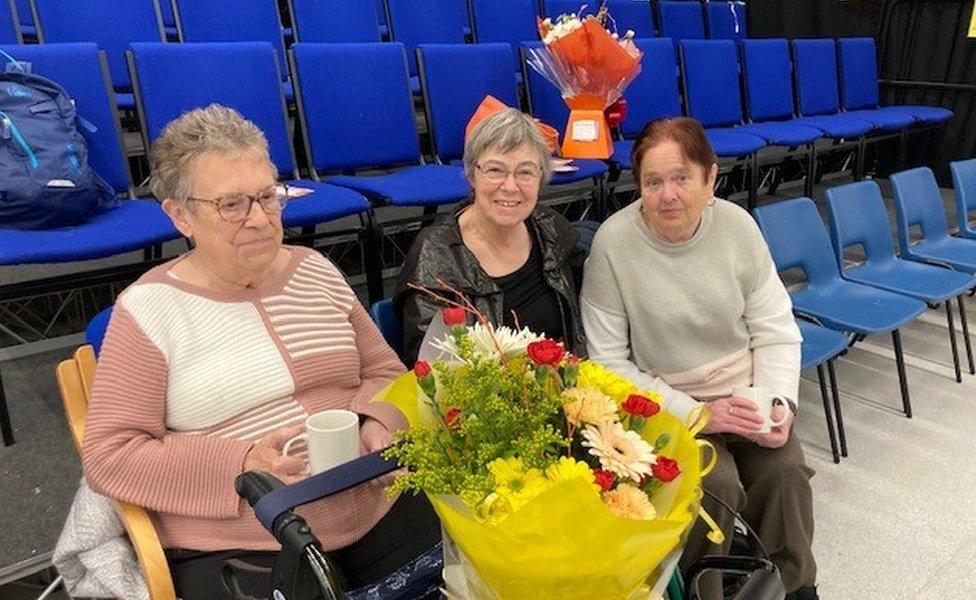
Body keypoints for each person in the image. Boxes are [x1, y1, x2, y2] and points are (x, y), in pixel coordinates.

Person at [81, 105, 439, 599]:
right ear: (180, 213)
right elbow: (110, 455)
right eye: (232, 205)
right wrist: (241, 462)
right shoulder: (147, 311)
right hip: (249, 540)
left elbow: (382, 369)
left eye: (268, 197)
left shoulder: (315, 269)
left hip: (372, 499)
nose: (260, 221)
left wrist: (377, 418)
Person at [580, 117, 818, 600]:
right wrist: (697, 414)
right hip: (666, 402)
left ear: (711, 178)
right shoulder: (612, 244)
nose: (668, 194)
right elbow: (608, 364)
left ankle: (793, 589)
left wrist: (778, 404)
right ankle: (701, 592)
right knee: (717, 486)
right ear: (639, 185)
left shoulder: (738, 227)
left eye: (682, 177)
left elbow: (774, 327)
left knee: (784, 469)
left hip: (744, 393)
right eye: (653, 181)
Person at [394, 108, 586, 364]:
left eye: (525, 172)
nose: (510, 186)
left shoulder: (553, 232)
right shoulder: (436, 256)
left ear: (541, 177)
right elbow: (435, 368)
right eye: (495, 170)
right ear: (472, 174)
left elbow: (578, 334)